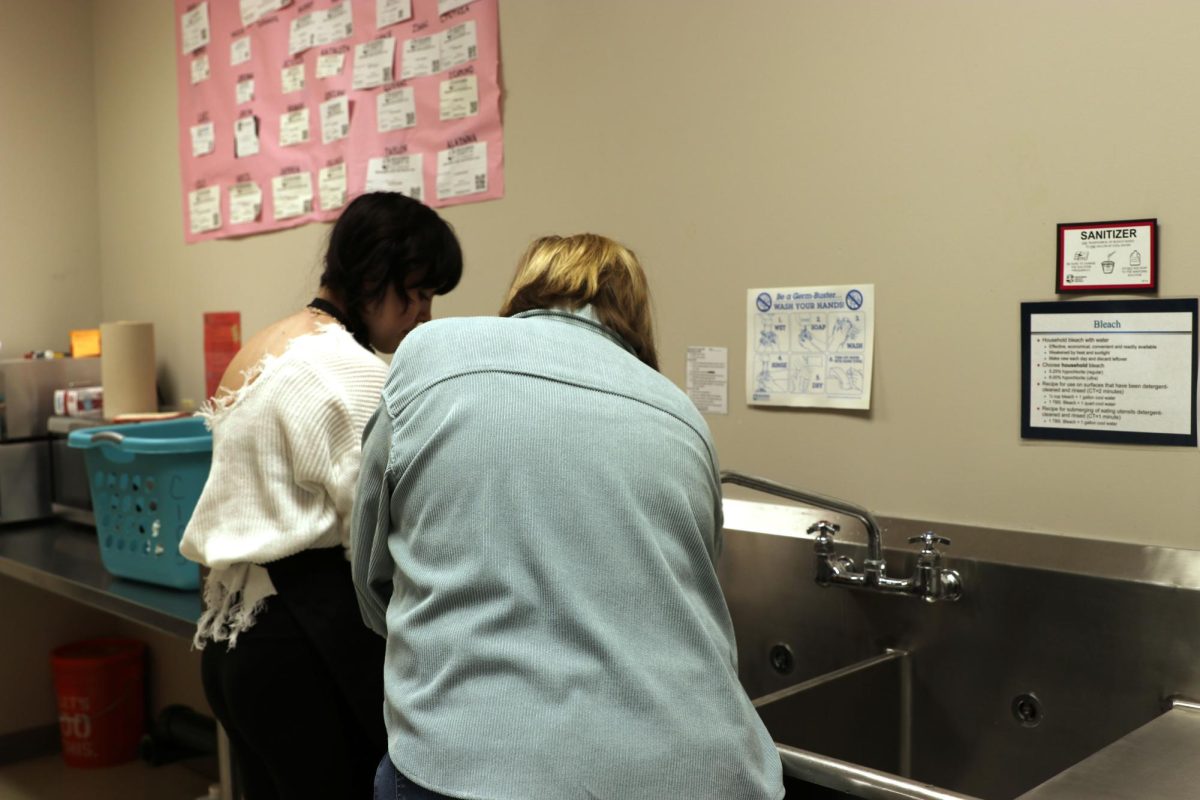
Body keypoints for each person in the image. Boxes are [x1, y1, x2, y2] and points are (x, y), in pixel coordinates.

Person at [352, 234, 784, 800]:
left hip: (469, 763)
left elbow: (371, 571)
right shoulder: (681, 414)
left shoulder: (433, 354)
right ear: (632, 314)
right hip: (701, 772)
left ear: (527, 289)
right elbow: (694, 590)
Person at [180, 192, 462, 800]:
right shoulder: (353, 369)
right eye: (416, 293)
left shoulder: (266, 346)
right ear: (371, 275)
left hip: (232, 642)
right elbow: (385, 525)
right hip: (302, 643)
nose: (424, 315)